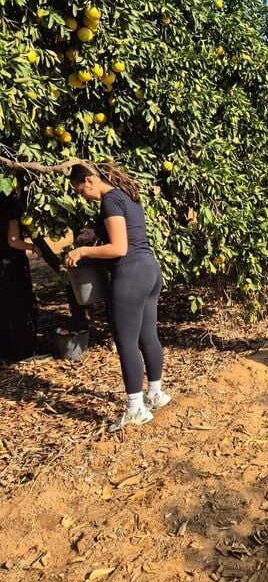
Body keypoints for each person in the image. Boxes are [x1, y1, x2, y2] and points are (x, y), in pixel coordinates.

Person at [66, 162, 167, 432]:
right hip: (149, 270)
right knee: (148, 335)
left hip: (131, 274)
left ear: (89, 180)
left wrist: (83, 252)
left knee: (126, 342)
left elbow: (119, 247)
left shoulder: (110, 200)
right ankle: (155, 393)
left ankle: (135, 409)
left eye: (79, 190)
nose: (82, 196)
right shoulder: (127, 196)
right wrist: (94, 235)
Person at [0, 187, 38, 362]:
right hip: (10, 263)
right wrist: (33, 247)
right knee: (18, 305)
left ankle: (6, 352)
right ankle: (24, 351)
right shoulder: (10, 203)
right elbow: (13, 241)